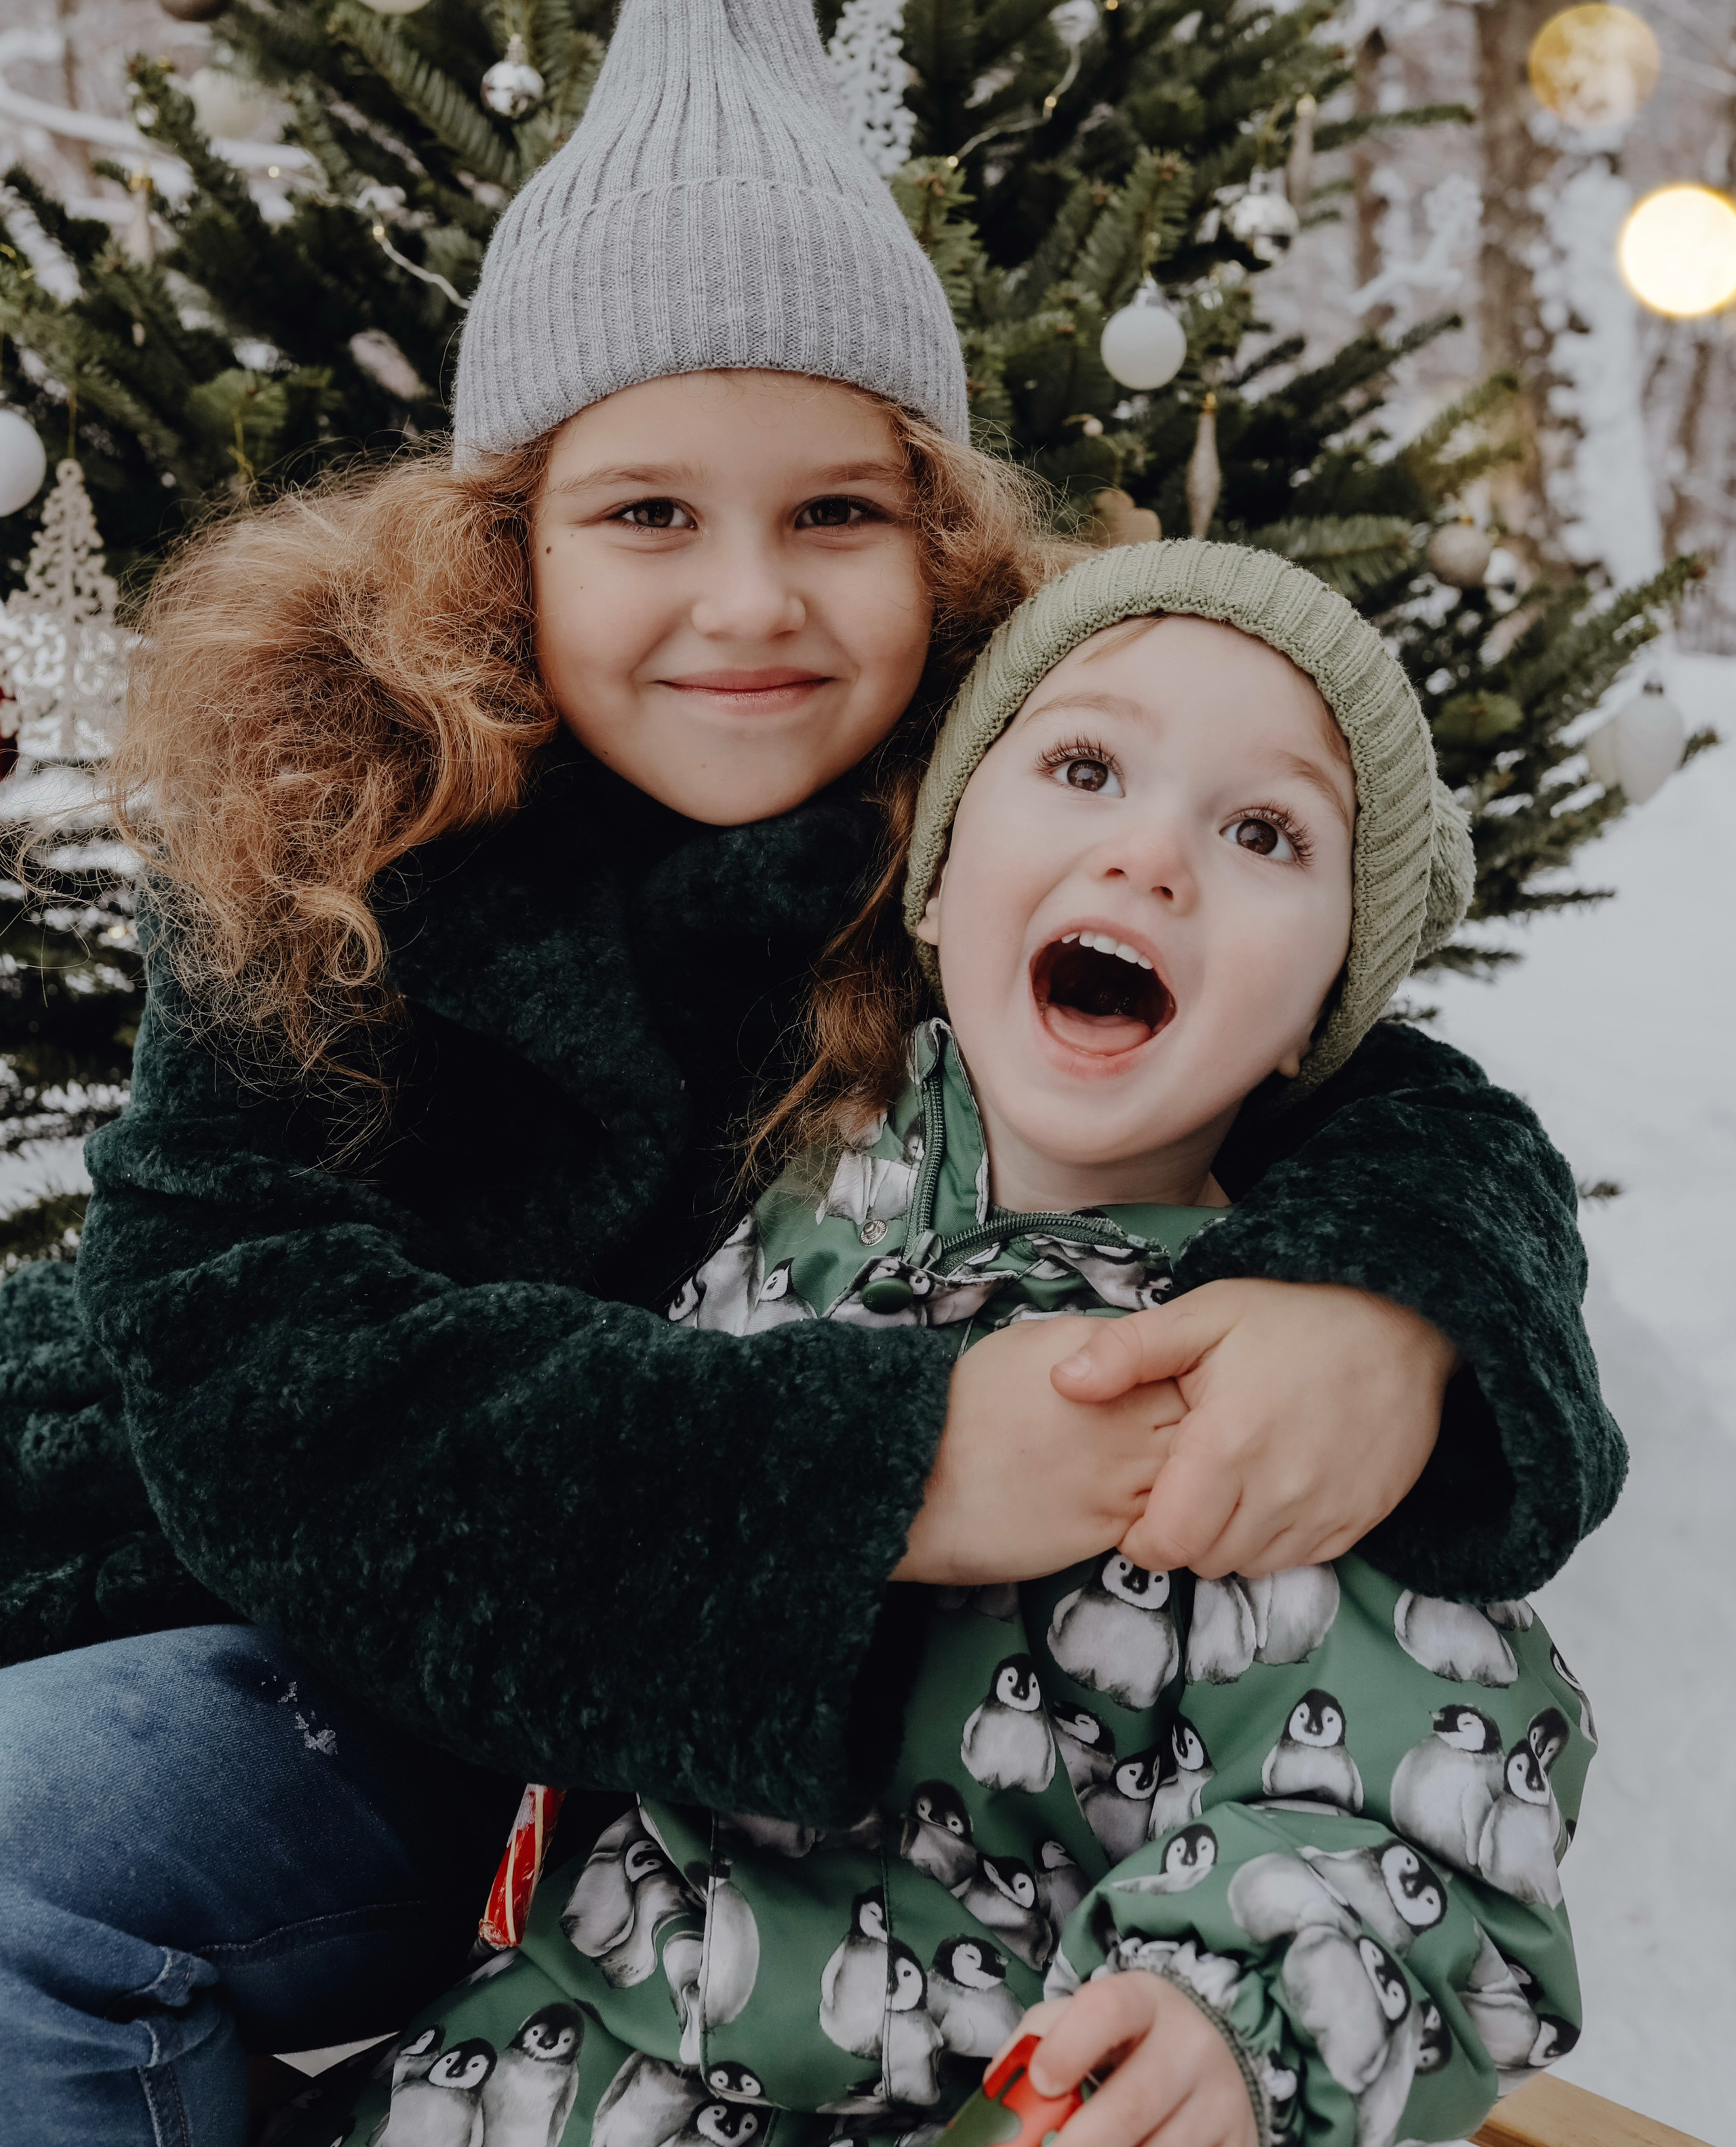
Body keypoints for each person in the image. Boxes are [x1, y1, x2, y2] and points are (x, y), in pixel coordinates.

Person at [0, 0, 1615, 2147]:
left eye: (835, 512)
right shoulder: (332, 828)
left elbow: (1377, 1074)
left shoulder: (1022, 791)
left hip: (709, 1802)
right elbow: (242, 1351)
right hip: (339, 1593)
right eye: (648, 511)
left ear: (938, 541)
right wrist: (885, 1470)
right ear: (511, 546)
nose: (748, 603)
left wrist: (1402, 1309)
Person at [304, 540, 1592, 2147]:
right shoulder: (781, 1166)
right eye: (1081, 765)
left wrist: (1226, 2016)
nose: (1150, 855)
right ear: (943, 857)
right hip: (534, 2060)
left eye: (1263, 831)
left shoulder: (1269, 1376)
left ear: (1331, 993)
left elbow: (1435, 1789)